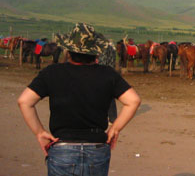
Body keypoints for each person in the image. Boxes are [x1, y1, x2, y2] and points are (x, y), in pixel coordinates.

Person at [17, 23, 141, 176]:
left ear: (68, 51)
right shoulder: (108, 74)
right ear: (96, 53)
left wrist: (39, 132)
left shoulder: (52, 72)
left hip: (62, 148)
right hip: (97, 148)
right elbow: (133, 101)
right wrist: (115, 129)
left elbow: (24, 101)